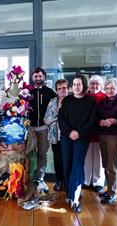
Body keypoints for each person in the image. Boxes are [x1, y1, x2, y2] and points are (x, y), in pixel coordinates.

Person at [0, 66, 34, 199]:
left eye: (18, 76)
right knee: (1, 157)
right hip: (4, 130)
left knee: (17, 158)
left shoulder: (24, 93)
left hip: (20, 131)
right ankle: (1, 185)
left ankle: (16, 186)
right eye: (13, 76)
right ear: (9, 77)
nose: (16, 78)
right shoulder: (2, 93)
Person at [58, 75, 96, 212]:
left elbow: (92, 122)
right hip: (66, 137)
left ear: (84, 86)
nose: (76, 87)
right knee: (67, 164)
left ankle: (74, 198)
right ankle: (69, 192)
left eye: (79, 84)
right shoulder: (67, 100)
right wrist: (69, 132)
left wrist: (79, 133)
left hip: (82, 138)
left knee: (77, 165)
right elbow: (61, 119)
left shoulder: (90, 102)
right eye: (74, 84)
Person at [97, 78, 117, 204]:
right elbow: (97, 116)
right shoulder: (102, 102)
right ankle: (108, 189)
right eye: (107, 88)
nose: (109, 90)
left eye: (112, 88)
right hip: (102, 134)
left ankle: (113, 192)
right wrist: (100, 121)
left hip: (115, 135)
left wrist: (115, 121)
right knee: (105, 164)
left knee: (112, 165)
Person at [29, 67, 57, 193]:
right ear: (32, 77)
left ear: (44, 77)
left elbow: (57, 108)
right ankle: (29, 177)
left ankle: (40, 178)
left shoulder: (50, 92)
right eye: (36, 76)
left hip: (44, 128)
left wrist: (50, 120)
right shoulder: (26, 92)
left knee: (42, 154)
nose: (38, 78)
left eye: (40, 76)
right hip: (30, 128)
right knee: (29, 153)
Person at [44, 79, 68, 191]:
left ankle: (68, 182)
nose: (62, 90)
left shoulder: (72, 100)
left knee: (68, 159)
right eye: (59, 88)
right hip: (55, 136)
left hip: (68, 136)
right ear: (56, 90)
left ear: (68, 89)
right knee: (57, 159)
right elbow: (46, 119)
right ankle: (59, 180)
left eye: (64, 88)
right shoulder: (52, 102)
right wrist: (57, 115)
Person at [84, 75, 106, 193]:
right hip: (87, 132)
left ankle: (98, 182)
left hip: (100, 131)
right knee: (86, 157)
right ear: (88, 85)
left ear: (101, 85)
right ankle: (87, 180)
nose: (95, 86)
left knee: (99, 158)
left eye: (97, 84)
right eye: (92, 83)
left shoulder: (104, 97)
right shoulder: (85, 96)